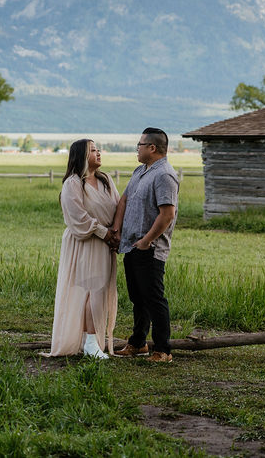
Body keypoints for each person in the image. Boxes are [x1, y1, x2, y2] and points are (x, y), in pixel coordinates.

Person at [108, 127, 179, 363]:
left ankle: (163, 350)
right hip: (131, 245)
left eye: (139, 144)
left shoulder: (164, 175)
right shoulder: (141, 171)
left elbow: (167, 214)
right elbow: (124, 199)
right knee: (138, 298)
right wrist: (117, 231)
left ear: (152, 148)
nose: (136, 149)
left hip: (149, 249)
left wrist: (147, 241)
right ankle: (138, 344)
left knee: (154, 299)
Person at [47, 139, 119, 358]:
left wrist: (115, 232)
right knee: (92, 290)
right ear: (81, 155)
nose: (99, 153)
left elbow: (117, 205)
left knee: (99, 290)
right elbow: (77, 217)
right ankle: (89, 342)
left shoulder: (105, 180)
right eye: (93, 150)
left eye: (98, 149)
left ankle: (91, 340)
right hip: (86, 242)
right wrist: (102, 232)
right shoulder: (73, 183)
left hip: (105, 243)